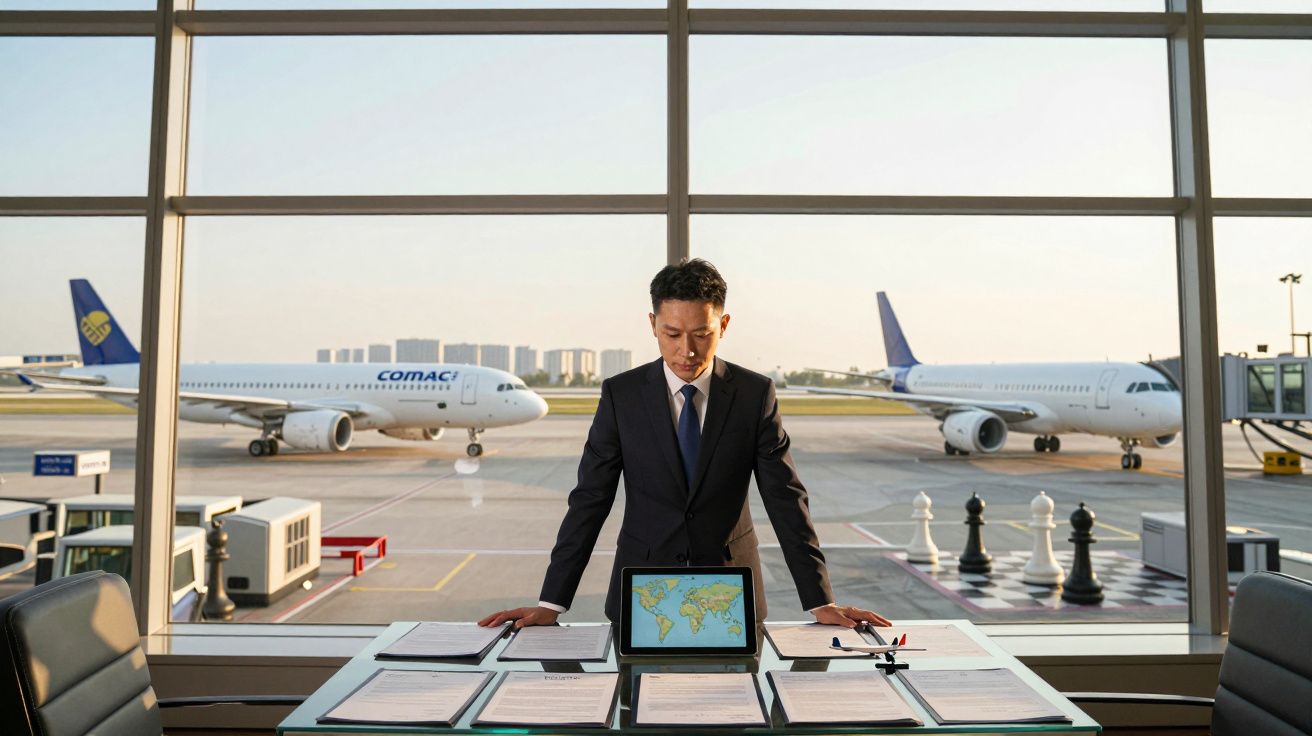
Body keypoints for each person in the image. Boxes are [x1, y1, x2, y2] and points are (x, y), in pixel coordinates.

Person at [479, 259, 890, 630]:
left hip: (730, 600)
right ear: (652, 324)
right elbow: (590, 499)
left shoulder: (753, 394)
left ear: (723, 326)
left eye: (701, 334)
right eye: (672, 333)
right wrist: (551, 602)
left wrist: (821, 600)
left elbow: (786, 499)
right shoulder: (621, 395)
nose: (687, 351)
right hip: (642, 597)